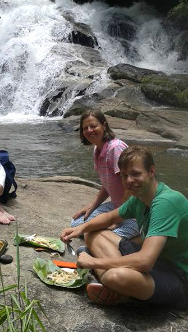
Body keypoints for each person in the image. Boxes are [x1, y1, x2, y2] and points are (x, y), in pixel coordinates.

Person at [61, 146, 188, 309]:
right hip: (157, 262)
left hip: (179, 277)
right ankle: (116, 287)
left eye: (135, 174)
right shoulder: (140, 197)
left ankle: (112, 284)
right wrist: (79, 229)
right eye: (124, 175)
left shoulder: (165, 202)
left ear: (151, 171)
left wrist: (95, 262)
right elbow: (109, 217)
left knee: (115, 276)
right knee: (91, 233)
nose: (129, 181)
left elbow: (145, 261)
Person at [71, 109, 138, 240]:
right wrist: (92, 205)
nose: (89, 130)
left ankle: (139, 236)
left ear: (104, 125)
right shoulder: (97, 149)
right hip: (116, 205)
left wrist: (117, 219)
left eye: (93, 126)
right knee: (77, 223)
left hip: (134, 210)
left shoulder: (115, 148)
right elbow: (107, 184)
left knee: (102, 237)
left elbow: (130, 186)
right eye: (85, 128)